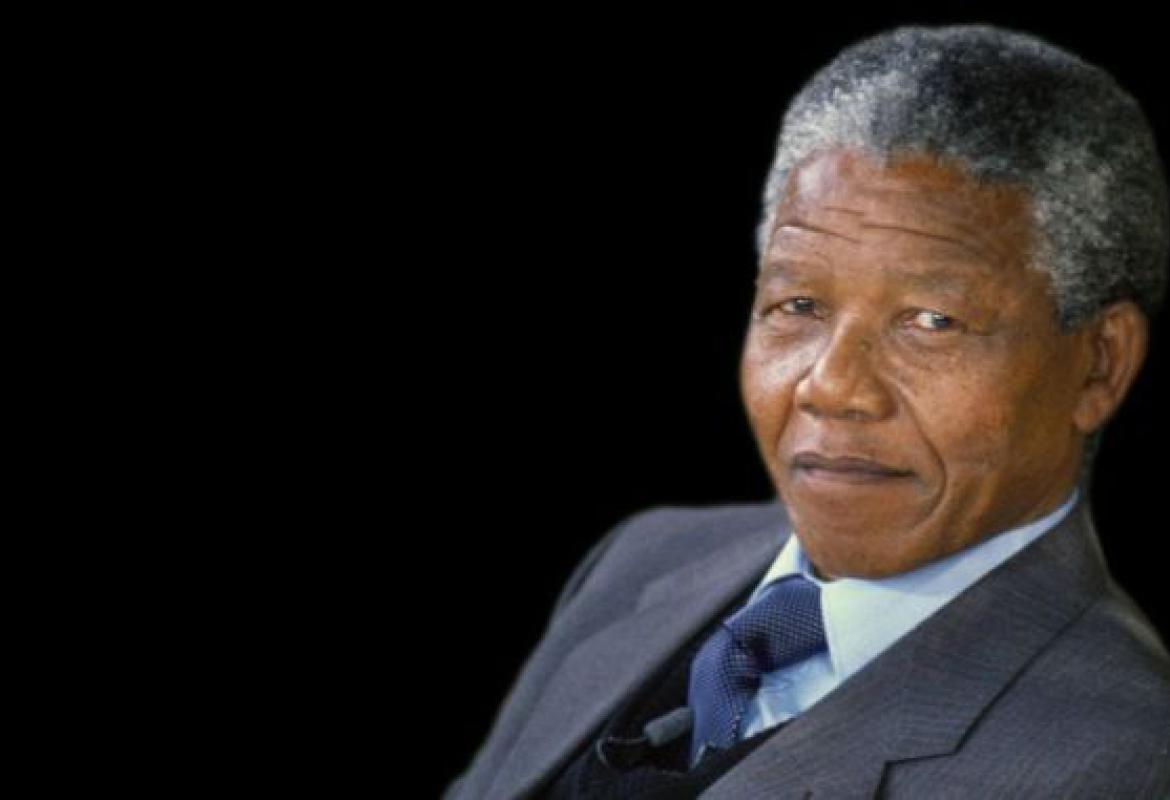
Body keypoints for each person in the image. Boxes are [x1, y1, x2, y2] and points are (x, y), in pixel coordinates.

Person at [444, 24, 1170, 799]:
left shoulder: (1125, 758)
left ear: (1099, 365)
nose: (831, 386)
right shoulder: (643, 560)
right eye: (798, 305)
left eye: (933, 321)